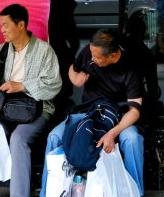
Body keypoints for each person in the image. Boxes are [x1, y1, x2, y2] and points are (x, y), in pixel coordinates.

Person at [40, 29, 144, 196]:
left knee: (132, 140)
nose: (92, 60)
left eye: (97, 57)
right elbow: (73, 69)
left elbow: (135, 110)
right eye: (91, 55)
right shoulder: (89, 51)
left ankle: (135, 192)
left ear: (113, 55)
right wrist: (75, 78)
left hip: (119, 118)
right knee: (54, 136)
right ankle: (45, 193)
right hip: (88, 113)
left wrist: (112, 133)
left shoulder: (131, 67)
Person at [0, 4, 62, 197]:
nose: (2, 30)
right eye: (1, 25)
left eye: (6, 25)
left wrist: (22, 86)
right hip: (4, 110)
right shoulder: (1, 51)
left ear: (21, 25)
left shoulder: (44, 50)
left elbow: (54, 85)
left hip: (37, 110)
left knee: (18, 139)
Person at [49, 0, 80, 119]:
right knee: (66, 50)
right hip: (61, 22)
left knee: (73, 46)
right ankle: (64, 82)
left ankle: (66, 79)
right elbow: (60, 3)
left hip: (66, 21)